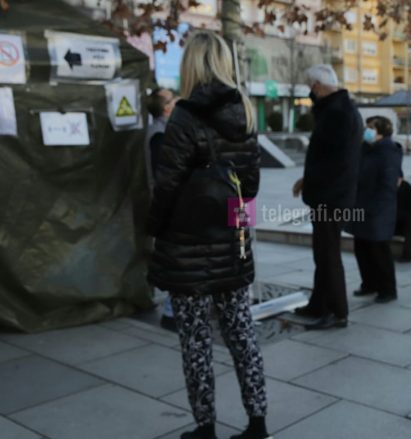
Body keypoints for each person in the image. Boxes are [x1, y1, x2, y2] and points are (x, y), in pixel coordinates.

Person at [146, 30, 270, 439]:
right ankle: (257, 423)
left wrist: (154, 230)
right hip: (231, 244)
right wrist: (236, 230)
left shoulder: (183, 116)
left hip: (185, 246)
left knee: (196, 342)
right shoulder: (245, 111)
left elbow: (166, 185)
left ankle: (206, 428)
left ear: (192, 64)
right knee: (242, 335)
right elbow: (248, 188)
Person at [292, 64, 363, 330]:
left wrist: (312, 182)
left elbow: (332, 162)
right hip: (333, 193)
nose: (311, 93)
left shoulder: (336, 113)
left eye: (311, 87)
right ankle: (318, 304)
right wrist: (306, 180)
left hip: (330, 197)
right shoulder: (342, 110)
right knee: (322, 253)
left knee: (327, 255)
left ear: (319, 86)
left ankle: (337, 311)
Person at [346, 116, 402, 303]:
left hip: (379, 209)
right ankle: (368, 283)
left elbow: (389, 183)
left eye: (371, 127)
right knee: (361, 247)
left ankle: (388, 289)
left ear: (381, 131)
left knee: (379, 250)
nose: (367, 130)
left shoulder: (388, 151)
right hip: (361, 206)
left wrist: (375, 207)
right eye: (367, 127)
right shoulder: (366, 149)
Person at [145, 87, 179, 331]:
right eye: (172, 97)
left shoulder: (166, 130)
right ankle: (170, 312)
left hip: (171, 203)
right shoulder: (160, 133)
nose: (178, 99)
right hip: (170, 205)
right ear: (166, 107)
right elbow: (164, 175)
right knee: (175, 258)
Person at [394, 170, 411, 262]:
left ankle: (407, 255)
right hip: (396, 221)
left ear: (402, 179)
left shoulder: (410, 191)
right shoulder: (391, 189)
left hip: (408, 221)